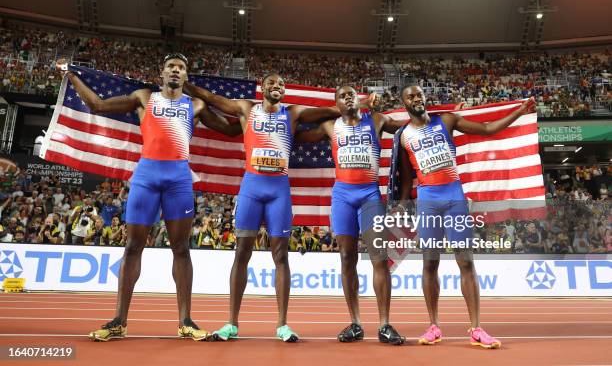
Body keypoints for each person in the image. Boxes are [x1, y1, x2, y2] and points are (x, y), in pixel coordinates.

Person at [56, 53, 242, 341]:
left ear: (186, 76)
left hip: (179, 179)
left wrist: (255, 114)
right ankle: (119, 319)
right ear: (162, 73)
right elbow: (97, 105)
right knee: (132, 247)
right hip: (146, 177)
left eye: (181, 68)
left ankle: (186, 322)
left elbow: (231, 130)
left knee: (181, 249)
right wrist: (71, 76)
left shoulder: (196, 104)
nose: (176, 71)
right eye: (171, 67)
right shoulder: (145, 97)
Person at [184, 73, 341, 342]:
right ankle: (231, 323)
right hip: (251, 189)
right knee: (241, 253)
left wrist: (360, 105)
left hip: (279, 190)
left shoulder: (293, 113)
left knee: (281, 256)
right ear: (263, 88)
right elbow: (211, 99)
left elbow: (329, 111)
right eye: (271, 83)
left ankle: (282, 325)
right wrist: (186, 85)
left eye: (281, 84)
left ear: (284, 91)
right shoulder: (247, 109)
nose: (276, 87)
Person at [395, 85, 535, 349]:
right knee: (429, 264)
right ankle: (434, 325)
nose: (416, 98)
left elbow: (489, 129)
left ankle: (476, 328)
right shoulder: (403, 136)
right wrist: (400, 206)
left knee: (466, 262)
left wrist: (520, 110)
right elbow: (406, 178)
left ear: (425, 99)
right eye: (410, 96)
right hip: (428, 202)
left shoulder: (446, 120)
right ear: (404, 103)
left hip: (454, 198)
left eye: (419, 94)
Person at [295, 86, 405, 344]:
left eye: (351, 94)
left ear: (359, 99)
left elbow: (408, 128)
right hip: (343, 197)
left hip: (369, 196)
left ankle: (385, 324)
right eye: (341, 95)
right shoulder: (329, 126)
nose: (347, 97)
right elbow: (299, 129)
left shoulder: (377, 120)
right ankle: (355, 323)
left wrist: (436, 117)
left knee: (379, 259)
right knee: (346, 258)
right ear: (336, 103)